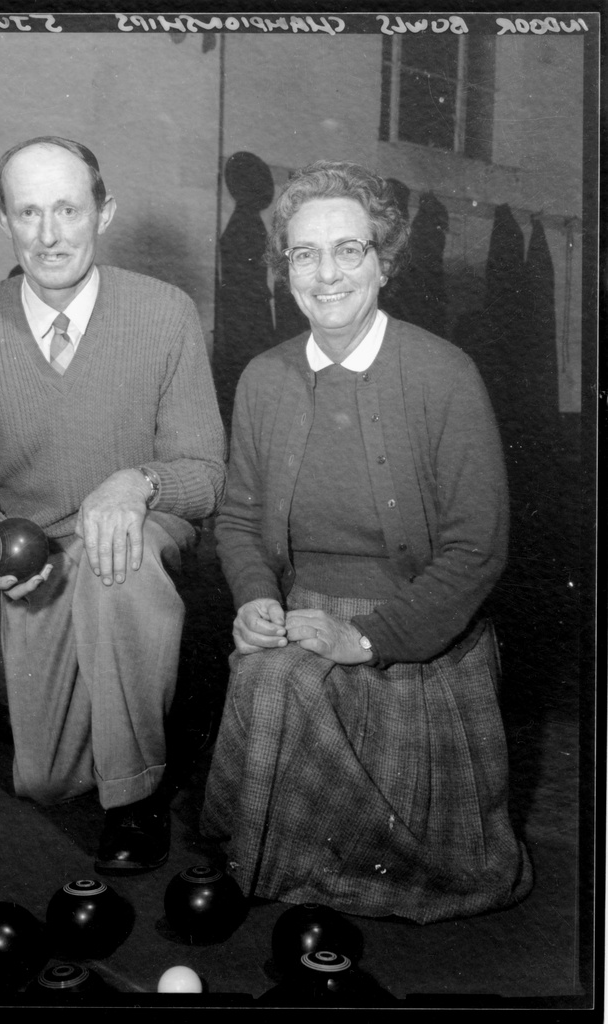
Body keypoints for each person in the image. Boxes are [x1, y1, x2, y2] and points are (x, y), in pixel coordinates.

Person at [200, 161, 533, 923]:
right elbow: (242, 521)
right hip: (300, 609)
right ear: (284, 271)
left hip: (419, 629)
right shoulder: (262, 378)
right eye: (304, 254)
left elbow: (477, 548)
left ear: (384, 262)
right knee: (270, 673)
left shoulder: (445, 374)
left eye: (348, 250)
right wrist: (255, 598)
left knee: (288, 685)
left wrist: (366, 638)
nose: (326, 273)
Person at [0, 136, 226, 873]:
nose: (50, 233)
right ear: (3, 219)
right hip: (40, 552)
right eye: (29, 211)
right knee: (48, 781)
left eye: (68, 208)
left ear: (104, 212)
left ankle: (137, 798)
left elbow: (206, 473)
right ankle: (97, 710)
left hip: (138, 531)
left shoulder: (165, 313)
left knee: (115, 559)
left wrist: (139, 484)